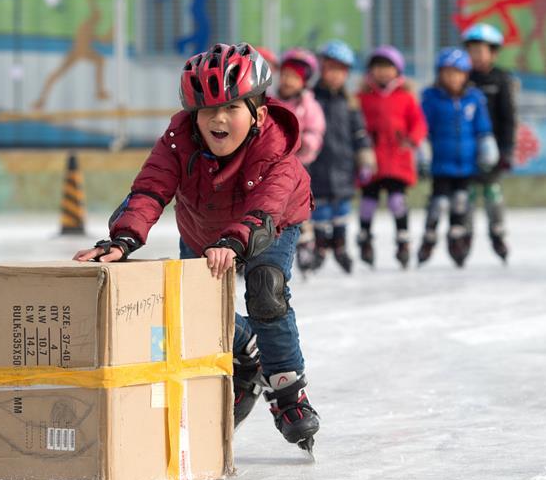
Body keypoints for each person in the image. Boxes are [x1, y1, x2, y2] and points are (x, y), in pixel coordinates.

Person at [73, 42, 319, 454]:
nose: (218, 120)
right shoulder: (178, 141)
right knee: (196, 308)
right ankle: (248, 351)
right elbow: (150, 190)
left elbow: (266, 208)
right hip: (202, 225)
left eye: (232, 108)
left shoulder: (277, 151)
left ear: (258, 114)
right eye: (207, 111)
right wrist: (123, 239)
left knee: (266, 288)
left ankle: (287, 389)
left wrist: (234, 241)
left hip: (270, 225)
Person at [418, 48, 498, 267]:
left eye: (458, 73)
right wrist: (423, 151)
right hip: (441, 164)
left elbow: (482, 127)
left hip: (465, 164)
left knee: (461, 202)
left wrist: (487, 146)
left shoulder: (474, 98)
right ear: (440, 74)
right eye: (448, 73)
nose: (453, 78)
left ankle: (457, 239)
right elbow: (422, 129)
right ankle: (429, 235)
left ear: (466, 75)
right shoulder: (431, 99)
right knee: (440, 203)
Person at [356, 45, 428, 269]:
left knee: (397, 202)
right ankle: (365, 238)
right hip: (372, 160)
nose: (383, 72)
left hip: (398, 159)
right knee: (368, 203)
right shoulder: (362, 97)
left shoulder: (406, 97)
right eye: (378, 67)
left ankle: (403, 239)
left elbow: (419, 123)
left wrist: (413, 140)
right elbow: (355, 124)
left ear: (397, 71)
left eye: (388, 67)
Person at [310, 40, 374, 274]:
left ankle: (340, 246)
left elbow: (360, 134)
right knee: (320, 210)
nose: (335, 75)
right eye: (331, 68)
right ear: (322, 68)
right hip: (317, 166)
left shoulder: (349, 102)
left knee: (341, 210)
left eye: (341, 70)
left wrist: (365, 161)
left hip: (344, 166)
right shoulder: (311, 98)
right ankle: (319, 247)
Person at [462, 23, 517, 262]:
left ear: (493, 53)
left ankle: (497, 233)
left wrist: (507, 149)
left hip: (492, 148)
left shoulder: (501, 79)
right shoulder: (463, 78)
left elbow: (508, 117)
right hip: (467, 146)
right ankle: (464, 234)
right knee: (467, 193)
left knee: (492, 191)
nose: (475, 56)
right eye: (471, 51)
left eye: (480, 51)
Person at [276, 48, 326, 274]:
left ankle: (305, 244)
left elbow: (316, 130)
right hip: (272, 164)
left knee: (299, 207)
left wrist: (306, 143)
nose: (287, 81)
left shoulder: (308, 105)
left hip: (298, 165)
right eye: (284, 75)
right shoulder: (271, 101)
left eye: (293, 77)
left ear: (303, 81)